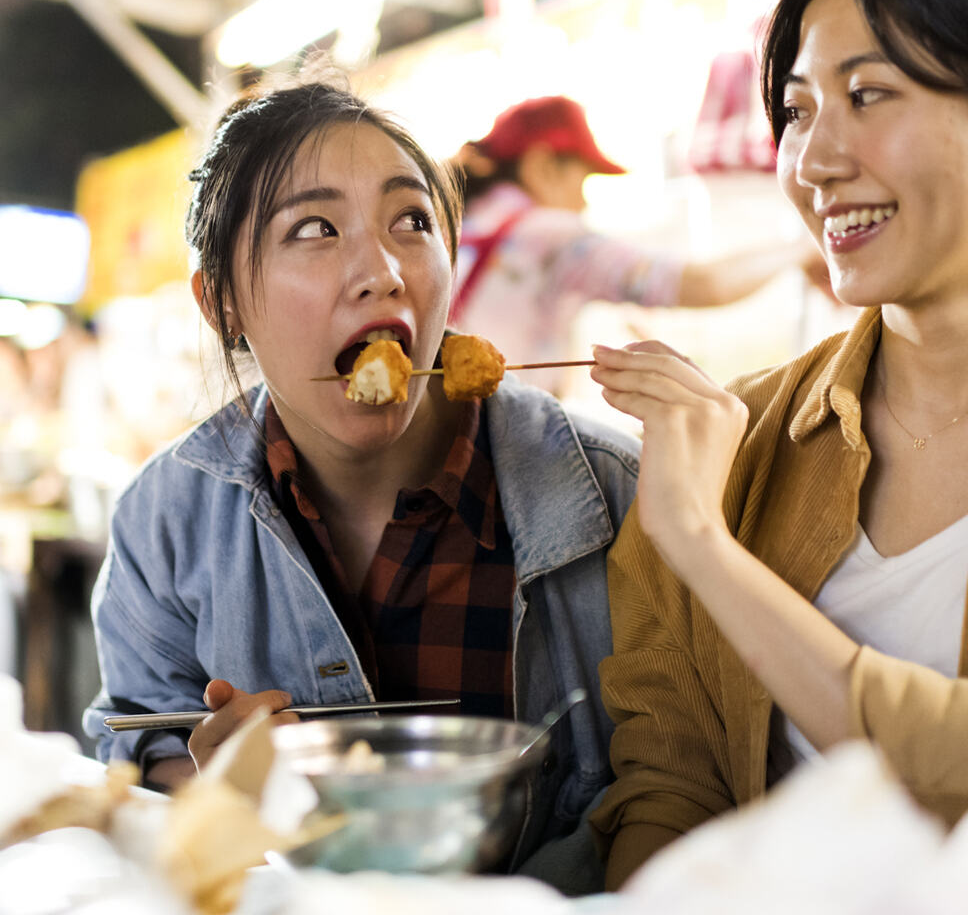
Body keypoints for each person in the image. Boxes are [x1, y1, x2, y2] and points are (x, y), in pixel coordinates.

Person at [82, 82, 641, 890]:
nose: (382, 273)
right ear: (223, 304)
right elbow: (140, 749)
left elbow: (677, 789)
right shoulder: (163, 523)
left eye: (412, 222)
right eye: (314, 229)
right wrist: (212, 790)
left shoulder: (619, 495)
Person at [586, 0, 968, 889]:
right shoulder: (734, 443)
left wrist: (706, 548)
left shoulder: (700, 508)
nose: (813, 158)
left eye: (869, 95)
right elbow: (668, 784)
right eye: (796, 109)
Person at [450, 95, 821, 395]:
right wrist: (803, 249)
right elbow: (704, 283)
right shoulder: (549, 235)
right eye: (581, 183)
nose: (584, 204)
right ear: (541, 167)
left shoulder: (463, 224)